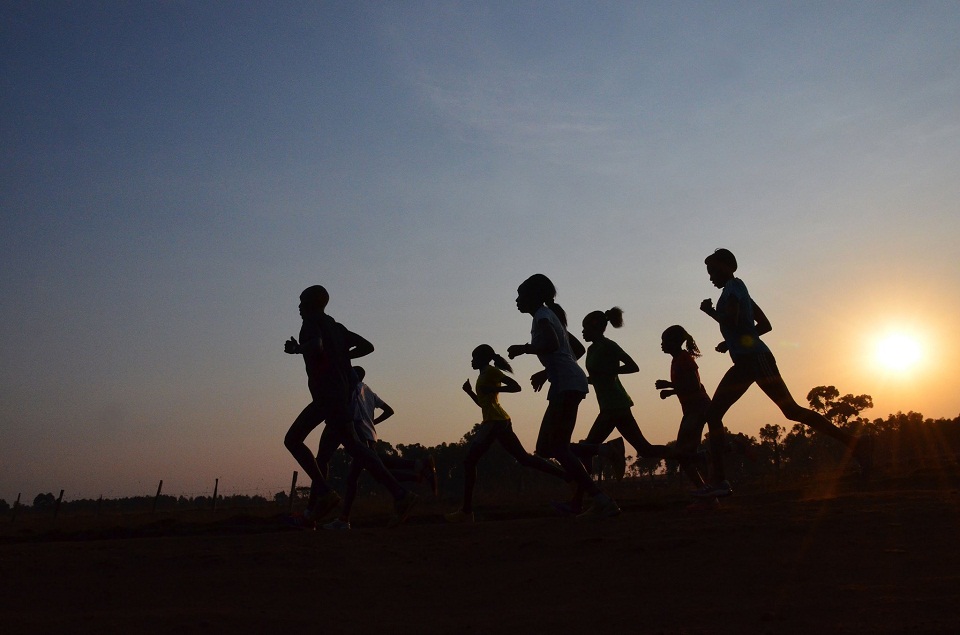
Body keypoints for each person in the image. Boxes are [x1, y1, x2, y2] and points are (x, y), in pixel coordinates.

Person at [695, 249, 871, 498]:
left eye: (713, 271)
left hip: (754, 360)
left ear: (727, 267)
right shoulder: (739, 289)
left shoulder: (732, 290)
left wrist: (710, 313)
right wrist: (732, 342)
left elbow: (733, 321)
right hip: (750, 359)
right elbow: (763, 325)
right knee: (729, 414)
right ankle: (856, 444)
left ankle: (720, 482)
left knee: (782, 410)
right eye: (709, 273)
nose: (711, 277)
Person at [283, 285, 419, 528]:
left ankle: (324, 494)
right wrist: (341, 357)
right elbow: (367, 346)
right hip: (340, 395)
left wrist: (296, 349)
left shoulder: (310, 324)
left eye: (302, 301)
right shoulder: (337, 328)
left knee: (293, 440)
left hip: (326, 397)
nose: (299, 306)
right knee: (350, 448)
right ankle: (400, 494)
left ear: (313, 304)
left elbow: (315, 346)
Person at [507, 274, 620, 520]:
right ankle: (601, 452)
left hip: (567, 384)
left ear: (534, 296)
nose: (516, 300)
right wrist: (548, 370)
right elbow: (572, 349)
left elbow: (551, 344)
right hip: (567, 382)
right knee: (547, 447)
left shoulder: (543, 316)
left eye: (520, 295)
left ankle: (600, 492)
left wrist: (523, 349)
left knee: (555, 447)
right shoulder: (549, 316)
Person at [559, 308, 678, 515]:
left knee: (586, 449)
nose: (583, 332)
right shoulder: (593, 350)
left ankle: (579, 502)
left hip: (615, 404)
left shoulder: (608, 346)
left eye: (585, 328)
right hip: (610, 405)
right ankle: (692, 455)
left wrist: (611, 371)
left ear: (596, 327)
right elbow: (597, 377)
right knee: (645, 449)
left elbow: (633, 366)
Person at [445, 345, 570, 523]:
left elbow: (516, 387)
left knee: (469, 461)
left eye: (474, 357)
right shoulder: (482, 375)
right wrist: (470, 392)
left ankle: (466, 512)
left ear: (483, 358)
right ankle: (568, 477)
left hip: (495, 422)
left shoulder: (491, 372)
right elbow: (483, 404)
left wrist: (494, 390)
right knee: (524, 459)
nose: (471, 361)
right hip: (499, 421)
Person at [319, 367, 438, 530]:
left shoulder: (352, 389)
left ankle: (417, 466)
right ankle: (417, 472)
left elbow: (353, 412)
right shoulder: (368, 391)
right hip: (370, 434)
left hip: (359, 432)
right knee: (370, 473)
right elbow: (389, 411)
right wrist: (374, 423)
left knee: (371, 469)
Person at [655, 325, 716, 508]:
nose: (662, 345)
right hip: (692, 410)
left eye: (664, 341)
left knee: (682, 453)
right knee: (685, 453)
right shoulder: (677, 359)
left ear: (674, 342)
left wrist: (670, 387)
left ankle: (706, 493)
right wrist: (671, 390)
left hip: (698, 409)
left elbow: (694, 387)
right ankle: (706, 492)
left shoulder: (684, 359)